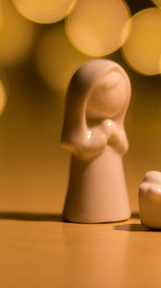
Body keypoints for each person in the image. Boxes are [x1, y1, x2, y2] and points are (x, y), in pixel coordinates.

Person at [61, 59, 131, 223]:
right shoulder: (84, 127)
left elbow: (123, 147)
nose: (115, 99)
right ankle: (88, 212)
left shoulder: (113, 125)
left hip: (113, 172)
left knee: (114, 193)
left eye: (120, 93)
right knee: (88, 195)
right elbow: (83, 146)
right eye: (107, 93)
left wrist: (115, 136)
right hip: (87, 176)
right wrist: (104, 134)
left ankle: (117, 209)